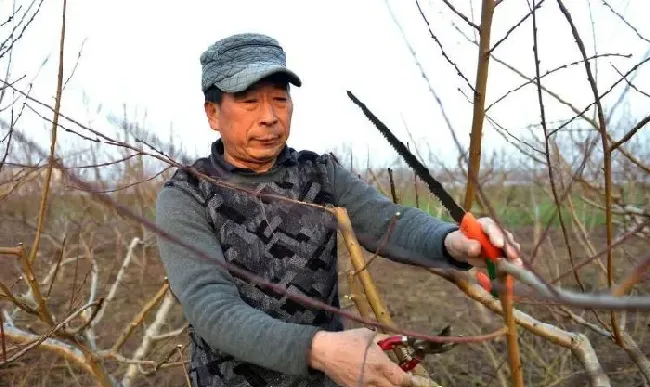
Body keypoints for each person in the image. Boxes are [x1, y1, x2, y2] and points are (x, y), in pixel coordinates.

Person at [155, 32, 522, 387]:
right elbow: (212, 310)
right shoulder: (187, 195)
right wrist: (320, 349)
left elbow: (387, 223)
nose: (269, 116)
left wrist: (452, 242)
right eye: (250, 102)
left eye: (279, 100)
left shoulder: (319, 174)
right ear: (213, 114)